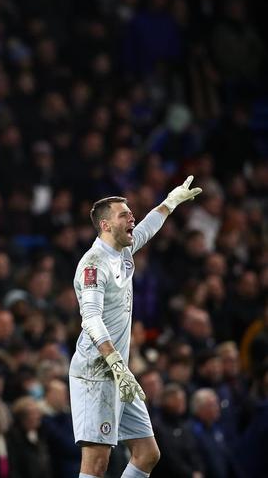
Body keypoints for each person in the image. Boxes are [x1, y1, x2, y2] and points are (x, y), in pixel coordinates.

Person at [69, 176, 202, 478]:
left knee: (147, 454)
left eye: (131, 214)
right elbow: (90, 317)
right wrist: (115, 362)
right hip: (97, 372)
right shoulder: (94, 264)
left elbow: (147, 228)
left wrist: (170, 202)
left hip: (121, 375)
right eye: (124, 215)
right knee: (96, 463)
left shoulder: (123, 252)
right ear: (105, 225)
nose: (132, 218)